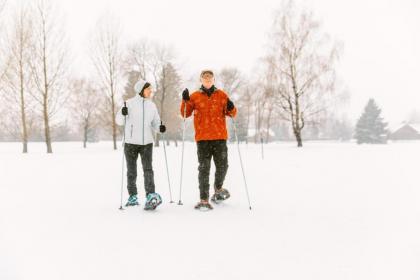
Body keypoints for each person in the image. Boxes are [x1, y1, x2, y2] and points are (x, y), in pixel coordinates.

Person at [180, 70, 237, 210]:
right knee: (204, 169)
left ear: (213, 80)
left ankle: (218, 189)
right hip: (203, 139)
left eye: (210, 78)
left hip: (220, 138)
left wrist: (231, 107)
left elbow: (232, 113)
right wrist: (185, 100)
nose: (207, 80)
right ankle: (204, 199)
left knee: (223, 166)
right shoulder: (194, 96)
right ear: (201, 80)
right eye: (205, 78)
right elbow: (185, 114)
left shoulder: (222, 95)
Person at [116, 80, 166, 210]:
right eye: (148, 89)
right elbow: (119, 121)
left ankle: (150, 195)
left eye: (151, 89)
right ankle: (132, 196)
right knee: (131, 172)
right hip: (131, 143)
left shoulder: (151, 106)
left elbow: (155, 123)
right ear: (141, 90)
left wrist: (160, 127)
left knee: (148, 169)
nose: (151, 91)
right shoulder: (129, 103)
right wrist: (123, 112)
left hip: (147, 143)